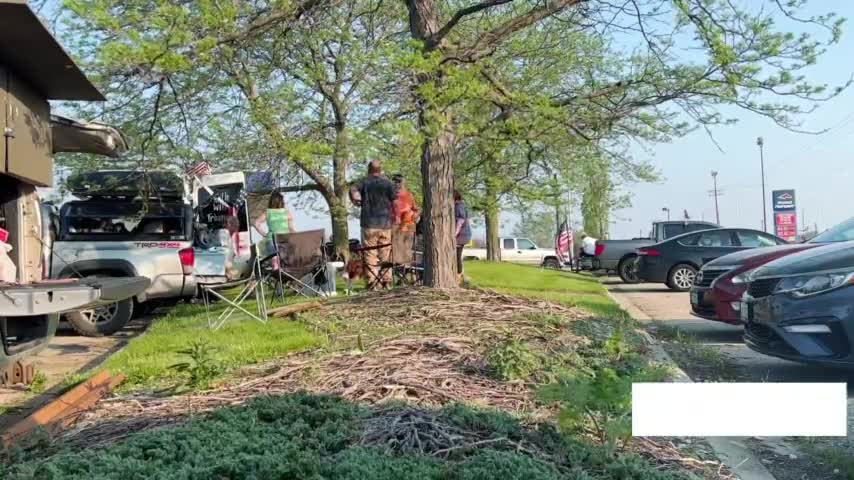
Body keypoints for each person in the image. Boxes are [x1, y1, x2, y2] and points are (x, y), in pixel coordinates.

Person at [350, 160, 396, 290]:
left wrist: (356, 200)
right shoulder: (388, 183)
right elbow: (395, 200)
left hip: (369, 224)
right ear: (380, 170)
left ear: (369, 170)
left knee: (370, 254)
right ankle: (387, 281)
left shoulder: (364, 181)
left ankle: (372, 282)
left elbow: (353, 190)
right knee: (385, 254)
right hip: (385, 224)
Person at [254, 192, 295, 265]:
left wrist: (264, 234)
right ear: (281, 202)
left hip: (271, 240)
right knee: (287, 262)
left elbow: (256, 223)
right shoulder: (286, 212)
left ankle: (276, 271)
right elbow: (291, 228)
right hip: (284, 241)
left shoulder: (268, 212)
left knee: (275, 263)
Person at [454, 190, 472, 284]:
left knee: (457, 256)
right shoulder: (462, 206)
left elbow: (460, 221)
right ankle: (462, 276)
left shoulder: (458, 207)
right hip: (464, 235)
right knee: (457, 256)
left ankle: (459, 275)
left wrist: (454, 234)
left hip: (461, 236)